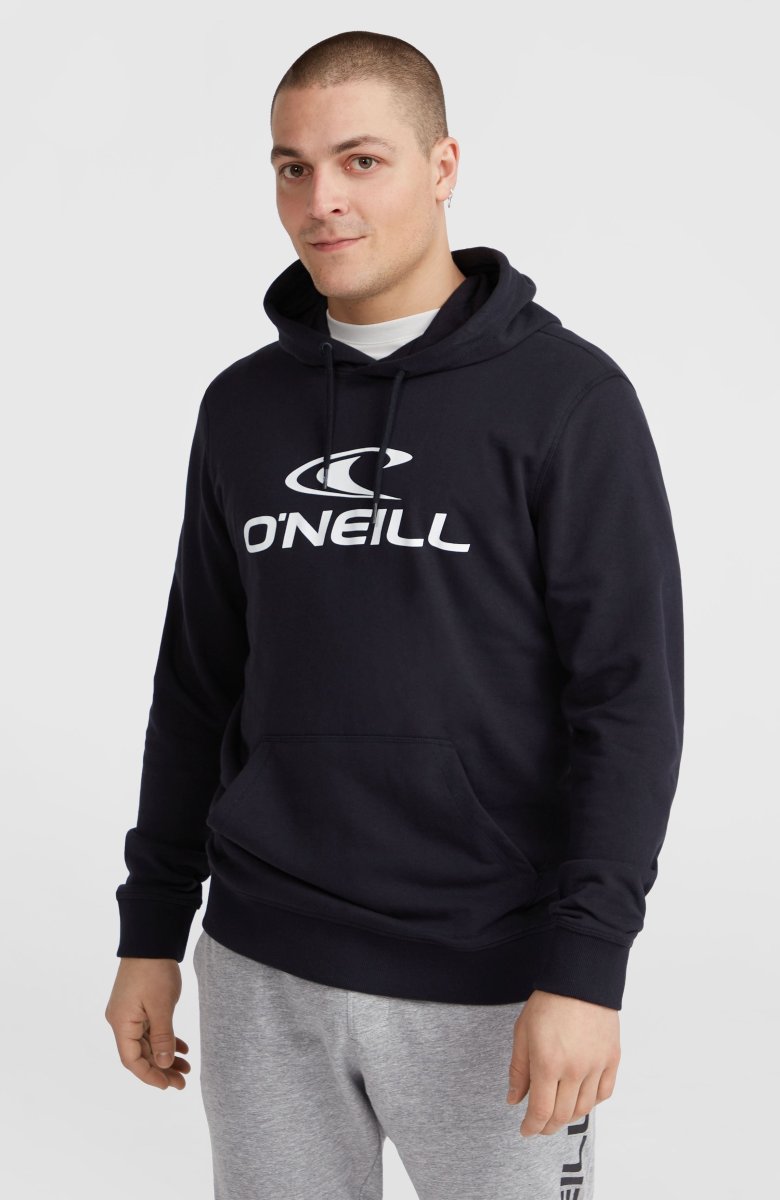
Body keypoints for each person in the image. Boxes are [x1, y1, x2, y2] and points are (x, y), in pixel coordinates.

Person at [105, 29, 684, 1200]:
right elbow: (198, 683)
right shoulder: (243, 409)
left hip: (492, 978)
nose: (322, 200)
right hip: (263, 963)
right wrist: (151, 930)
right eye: (293, 167)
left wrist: (587, 966)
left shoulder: (569, 401)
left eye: (360, 160)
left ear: (443, 165)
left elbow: (629, 704)